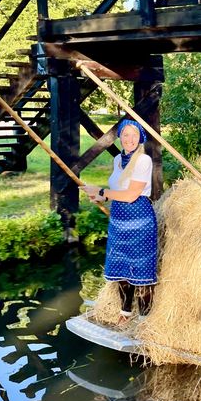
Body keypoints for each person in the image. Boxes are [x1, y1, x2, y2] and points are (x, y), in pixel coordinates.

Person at [81, 120, 157, 324]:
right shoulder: (117, 159)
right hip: (119, 219)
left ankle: (143, 321)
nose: (129, 139)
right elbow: (117, 190)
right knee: (122, 269)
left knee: (141, 273)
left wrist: (102, 191)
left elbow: (132, 195)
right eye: (125, 135)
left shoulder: (143, 160)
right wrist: (102, 198)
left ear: (140, 137)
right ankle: (125, 312)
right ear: (120, 137)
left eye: (133, 135)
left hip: (139, 220)